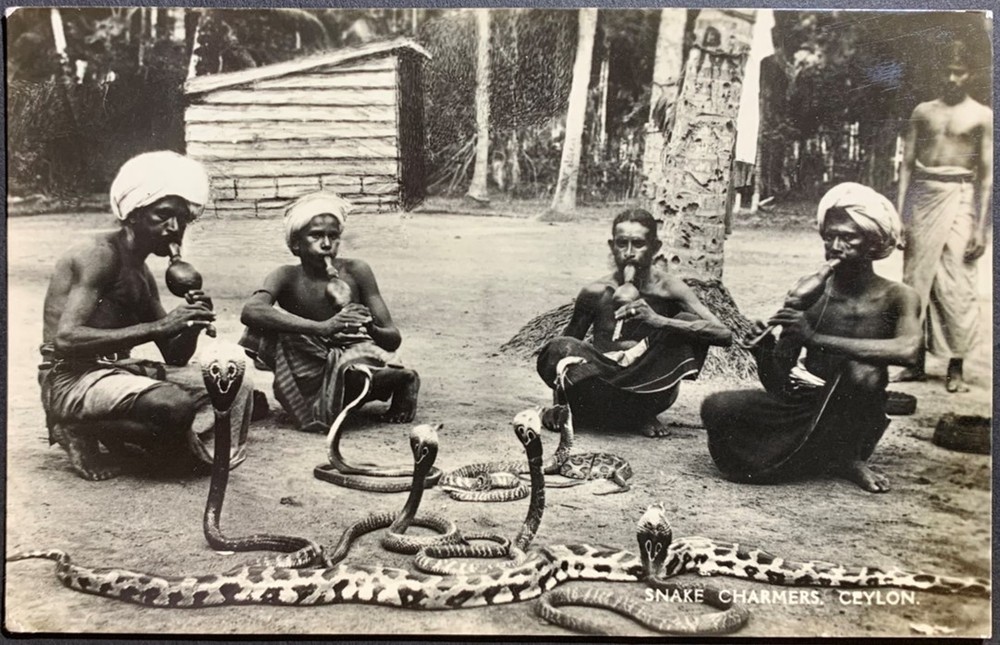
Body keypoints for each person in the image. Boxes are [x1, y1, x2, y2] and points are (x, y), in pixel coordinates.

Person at [39, 151, 254, 481]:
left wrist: (192, 322)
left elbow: (175, 353)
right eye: (163, 216)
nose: (174, 227)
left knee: (236, 382)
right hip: (71, 378)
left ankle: (172, 441)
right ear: (133, 214)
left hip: (116, 370)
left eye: (181, 219)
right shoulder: (98, 254)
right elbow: (65, 339)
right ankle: (76, 427)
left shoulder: (141, 273)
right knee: (174, 405)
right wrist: (160, 325)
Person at [701, 183, 922, 493]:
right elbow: (780, 387)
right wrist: (765, 352)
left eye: (847, 237)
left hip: (857, 414)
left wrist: (816, 338)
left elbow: (909, 349)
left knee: (864, 372)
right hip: (804, 406)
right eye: (829, 237)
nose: (835, 246)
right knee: (717, 406)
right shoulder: (813, 297)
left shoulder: (898, 296)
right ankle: (819, 456)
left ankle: (849, 457)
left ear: (873, 244)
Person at [536, 208, 732, 438]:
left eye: (638, 244)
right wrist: (561, 406)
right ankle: (607, 415)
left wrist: (658, 320)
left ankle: (641, 414)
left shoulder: (670, 289)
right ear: (612, 246)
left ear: (655, 247)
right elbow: (564, 354)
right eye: (622, 244)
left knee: (687, 322)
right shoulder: (595, 291)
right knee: (560, 346)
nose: (629, 253)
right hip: (602, 385)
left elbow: (724, 335)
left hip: (652, 392)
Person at [240, 192, 419, 433]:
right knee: (256, 330)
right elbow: (251, 310)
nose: (326, 244)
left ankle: (403, 379)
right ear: (296, 244)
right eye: (316, 235)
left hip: (356, 354)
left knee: (352, 377)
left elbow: (392, 338)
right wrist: (322, 327)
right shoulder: (285, 275)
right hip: (312, 353)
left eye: (333, 236)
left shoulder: (356, 270)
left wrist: (368, 326)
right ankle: (320, 393)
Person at [893, 40, 992, 392]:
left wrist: (982, 228)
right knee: (915, 281)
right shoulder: (923, 111)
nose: (952, 78)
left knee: (957, 284)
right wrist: (900, 214)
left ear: (970, 74)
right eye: (947, 71)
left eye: (959, 72)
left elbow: (987, 174)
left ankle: (956, 368)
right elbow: (905, 166)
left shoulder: (982, 115)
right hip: (922, 196)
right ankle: (913, 361)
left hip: (961, 196)